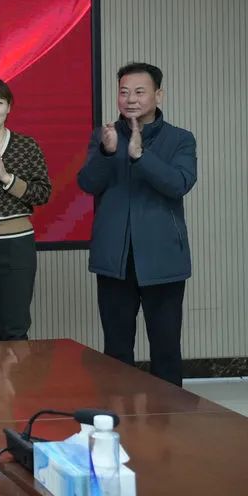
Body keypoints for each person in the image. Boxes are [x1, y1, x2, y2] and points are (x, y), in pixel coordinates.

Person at [78, 62, 196, 386]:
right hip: (115, 260)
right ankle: (119, 413)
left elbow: (179, 183)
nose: (130, 99)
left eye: (139, 92)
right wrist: (107, 152)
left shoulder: (181, 139)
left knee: (166, 349)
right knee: (116, 351)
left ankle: (168, 414)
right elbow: (87, 184)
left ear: (159, 95)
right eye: (124, 92)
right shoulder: (104, 136)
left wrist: (141, 156)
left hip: (163, 260)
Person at [0, 78, 52, 341]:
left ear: (9, 107)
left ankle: (17, 371)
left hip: (17, 245)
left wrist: (8, 180)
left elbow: (43, 193)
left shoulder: (27, 146)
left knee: (15, 326)